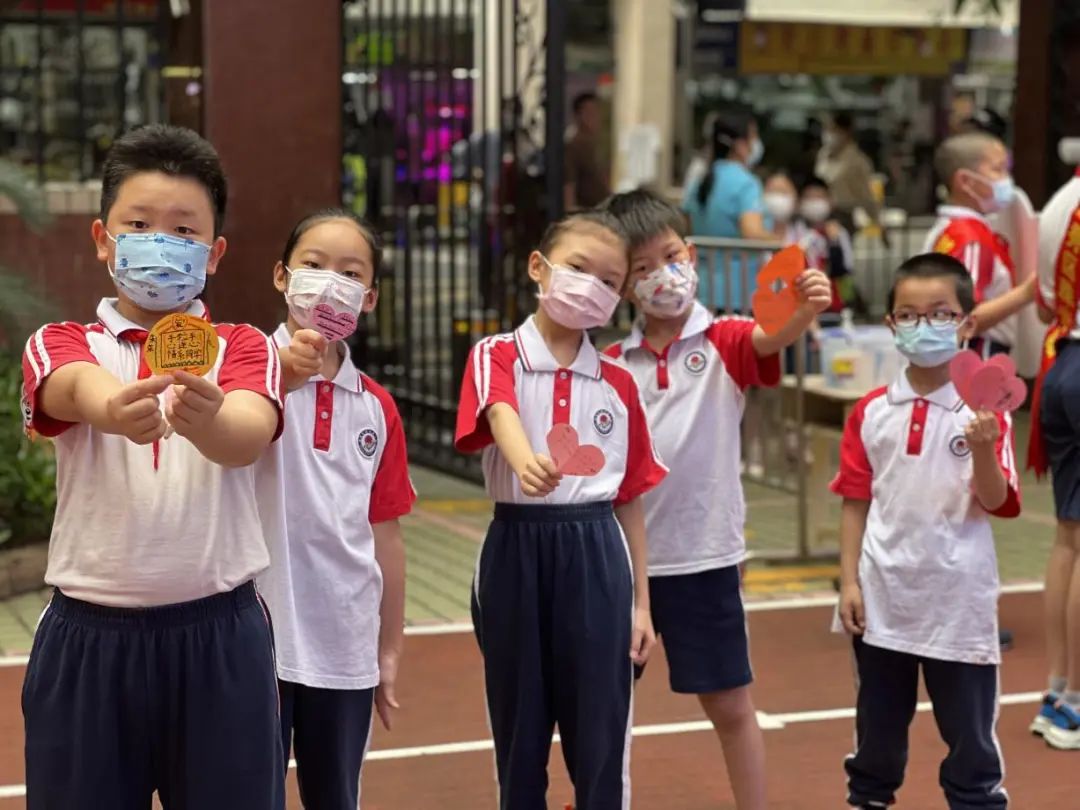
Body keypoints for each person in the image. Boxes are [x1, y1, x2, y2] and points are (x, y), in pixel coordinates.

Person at [19, 124, 285, 809]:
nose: (161, 243)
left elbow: (248, 434)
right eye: (138, 225)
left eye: (184, 230)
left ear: (215, 253)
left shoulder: (243, 346)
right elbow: (70, 387)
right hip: (89, 641)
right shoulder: (62, 341)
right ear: (102, 239)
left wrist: (208, 419)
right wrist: (113, 408)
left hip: (221, 639)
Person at [601, 189, 831, 810]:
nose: (661, 276)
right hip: (620, 565)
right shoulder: (611, 364)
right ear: (623, 286)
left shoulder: (724, 340)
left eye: (670, 257)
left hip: (704, 558)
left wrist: (805, 310)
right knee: (603, 707)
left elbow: (769, 338)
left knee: (730, 705)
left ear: (693, 256)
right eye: (642, 268)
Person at [454, 210, 667, 809]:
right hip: (515, 547)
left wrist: (642, 605)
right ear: (538, 266)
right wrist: (525, 461)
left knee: (599, 730)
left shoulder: (619, 383)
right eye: (578, 267)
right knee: (519, 729)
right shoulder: (496, 354)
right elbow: (499, 411)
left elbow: (630, 499)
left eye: (609, 280)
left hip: (597, 552)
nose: (590, 286)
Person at [833, 253, 1020, 810]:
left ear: (967, 323)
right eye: (909, 315)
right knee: (877, 731)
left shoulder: (986, 411)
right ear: (890, 324)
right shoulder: (871, 411)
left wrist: (983, 448)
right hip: (884, 599)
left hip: (958, 601)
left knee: (969, 739)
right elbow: (855, 500)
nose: (924, 326)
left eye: (940, 313)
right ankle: (869, 799)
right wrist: (849, 581)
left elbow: (997, 501)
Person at [255, 209, 415, 808]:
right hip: (255, 636)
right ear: (282, 276)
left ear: (369, 298)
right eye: (314, 265)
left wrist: (389, 647)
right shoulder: (243, 372)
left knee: (336, 796)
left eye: (350, 274)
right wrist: (276, 380)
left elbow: (386, 535)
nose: (330, 283)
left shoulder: (376, 407)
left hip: (344, 639)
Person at [1028, 166, 1080, 751]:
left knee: (1069, 537)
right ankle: (1075, 704)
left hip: (1062, 362)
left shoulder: (1062, 198)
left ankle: (1059, 690)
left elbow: (1045, 303)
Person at [923, 132, 1036, 360]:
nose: (1006, 179)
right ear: (965, 181)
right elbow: (963, 318)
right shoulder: (970, 239)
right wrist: (1027, 293)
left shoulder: (947, 228)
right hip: (976, 356)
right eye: (998, 169)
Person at [683, 109, 776, 312]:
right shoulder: (746, 183)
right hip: (738, 295)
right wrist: (783, 243)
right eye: (753, 137)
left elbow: (686, 226)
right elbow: (751, 232)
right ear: (741, 145)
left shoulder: (699, 181)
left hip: (702, 290)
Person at [796, 176, 857, 316]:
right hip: (800, 303)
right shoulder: (795, 231)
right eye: (809, 198)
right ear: (800, 202)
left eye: (819, 197)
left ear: (830, 201)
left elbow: (844, 270)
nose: (814, 203)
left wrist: (834, 244)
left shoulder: (839, 233)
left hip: (832, 304)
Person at [814, 111, 879, 234]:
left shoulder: (858, 161)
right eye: (827, 129)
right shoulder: (823, 154)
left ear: (845, 132)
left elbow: (866, 194)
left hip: (844, 215)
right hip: (819, 212)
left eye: (833, 129)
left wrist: (877, 220)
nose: (828, 133)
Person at [564, 91, 611, 210]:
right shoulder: (573, 148)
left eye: (597, 112)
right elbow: (569, 188)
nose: (595, 118)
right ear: (577, 116)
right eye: (589, 113)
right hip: (586, 213)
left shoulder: (597, 146)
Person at [762, 171, 798, 242]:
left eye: (783, 192)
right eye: (772, 191)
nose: (778, 197)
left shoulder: (805, 237)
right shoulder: (752, 232)